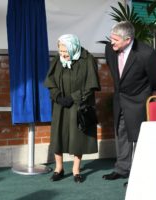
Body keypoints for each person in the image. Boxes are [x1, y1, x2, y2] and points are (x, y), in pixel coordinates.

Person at [102, 21, 156, 185]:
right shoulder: (110, 49)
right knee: (121, 133)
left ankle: (138, 175)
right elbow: (115, 72)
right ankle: (122, 169)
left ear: (128, 39)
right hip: (119, 100)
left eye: (115, 40)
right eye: (112, 38)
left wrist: (142, 93)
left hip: (138, 101)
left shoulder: (146, 53)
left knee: (138, 138)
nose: (111, 42)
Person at [44, 34, 101, 183]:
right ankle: (59, 168)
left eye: (65, 51)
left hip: (78, 104)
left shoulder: (87, 59)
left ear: (73, 47)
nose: (62, 54)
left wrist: (73, 97)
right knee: (58, 136)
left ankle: (76, 169)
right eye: (60, 51)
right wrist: (57, 97)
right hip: (60, 104)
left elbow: (90, 85)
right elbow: (50, 81)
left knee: (77, 137)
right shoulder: (58, 59)